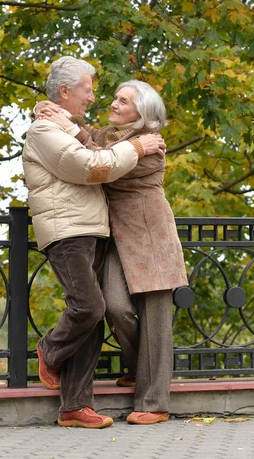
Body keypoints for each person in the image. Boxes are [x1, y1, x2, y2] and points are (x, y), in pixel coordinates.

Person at [22, 57, 166, 429]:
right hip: (69, 230)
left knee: (102, 315)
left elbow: (98, 153)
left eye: (121, 99)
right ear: (66, 91)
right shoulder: (45, 130)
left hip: (116, 233)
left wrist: (73, 125)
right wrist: (134, 147)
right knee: (90, 307)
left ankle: (75, 406)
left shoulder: (77, 129)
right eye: (88, 89)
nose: (95, 97)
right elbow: (92, 166)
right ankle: (49, 351)